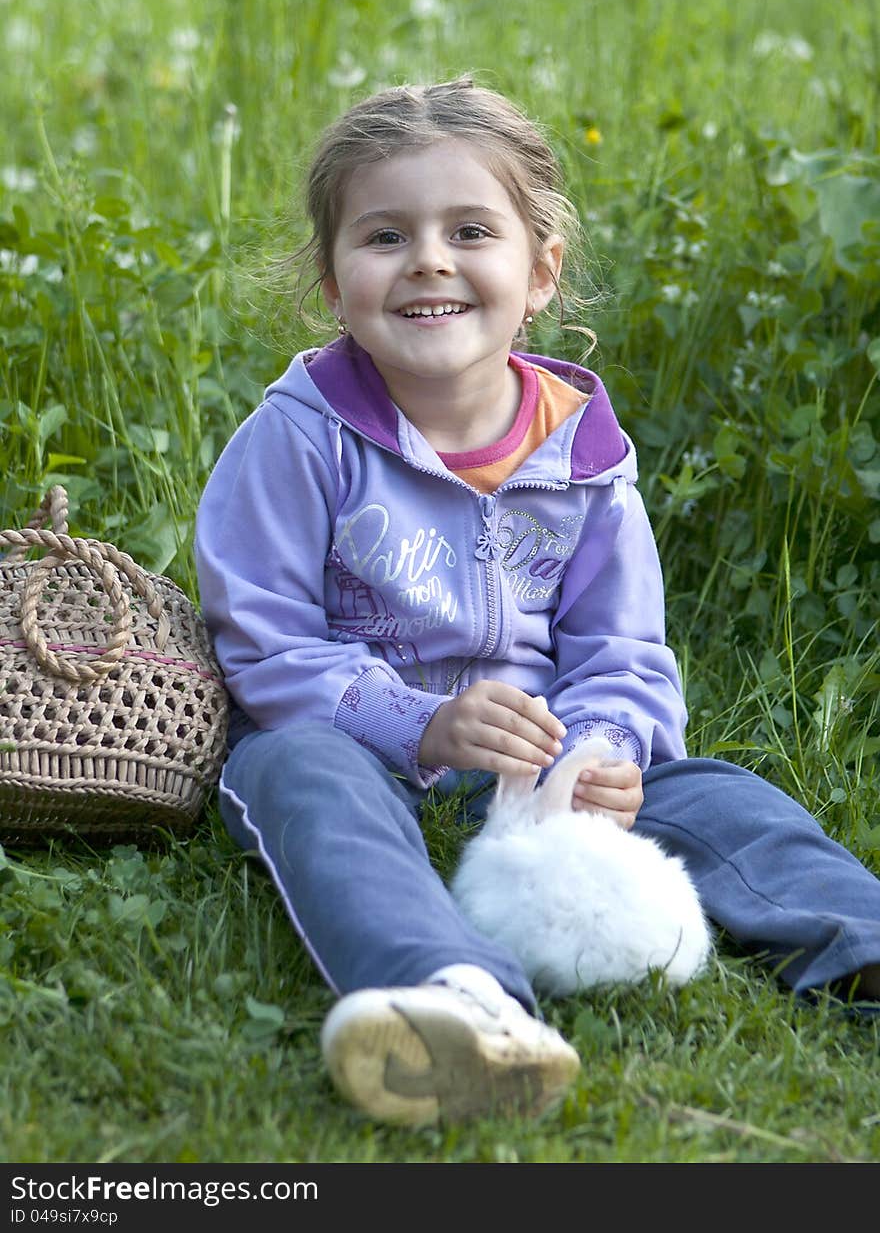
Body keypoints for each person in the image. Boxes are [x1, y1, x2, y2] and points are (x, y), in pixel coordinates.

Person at [194, 75, 880, 1128]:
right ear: (332, 281)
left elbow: (623, 647)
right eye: (385, 235)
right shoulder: (298, 437)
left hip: (537, 764)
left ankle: (862, 944)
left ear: (540, 270)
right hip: (358, 743)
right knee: (296, 776)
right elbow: (263, 640)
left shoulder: (585, 459)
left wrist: (599, 752)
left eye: (470, 229)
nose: (428, 258)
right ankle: (452, 996)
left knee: (720, 796)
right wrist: (419, 721)